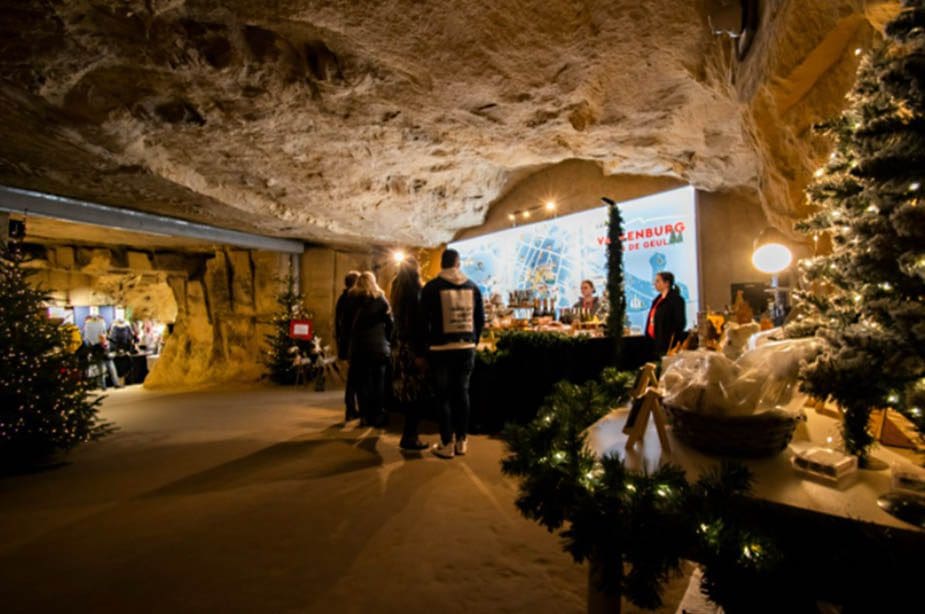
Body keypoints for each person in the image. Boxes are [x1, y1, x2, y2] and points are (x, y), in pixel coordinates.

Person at [420, 249, 485, 459]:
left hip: (440, 349)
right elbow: (480, 319)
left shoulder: (431, 288)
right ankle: (462, 441)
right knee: (462, 393)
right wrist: (473, 341)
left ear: (442, 264)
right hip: (466, 348)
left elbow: (422, 320)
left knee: (443, 396)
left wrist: (424, 346)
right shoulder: (473, 287)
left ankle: (446, 442)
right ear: (458, 264)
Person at [390, 257, 429, 451]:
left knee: (406, 392)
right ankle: (410, 436)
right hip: (413, 348)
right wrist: (421, 353)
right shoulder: (416, 292)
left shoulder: (397, 289)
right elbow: (419, 326)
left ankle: (409, 434)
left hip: (400, 347)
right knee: (416, 393)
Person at [348, 271, 393, 428]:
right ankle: (378, 415)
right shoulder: (381, 300)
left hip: (359, 348)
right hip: (379, 348)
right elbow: (390, 323)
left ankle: (365, 416)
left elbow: (346, 325)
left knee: (362, 383)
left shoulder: (351, 299)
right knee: (378, 382)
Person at [335, 270, 361, 421]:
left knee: (353, 377)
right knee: (355, 377)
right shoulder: (352, 299)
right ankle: (352, 408)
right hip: (354, 344)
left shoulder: (342, 299)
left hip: (347, 343)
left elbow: (339, 325)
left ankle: (350, 408)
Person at [645, 271, 686, 358]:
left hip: (667, 343)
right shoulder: (657, 300)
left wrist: (672, 340)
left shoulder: (676, 300)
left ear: (666, 283)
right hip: (655, 342)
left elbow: (680, 322)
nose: (655, 283)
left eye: (658, 281)